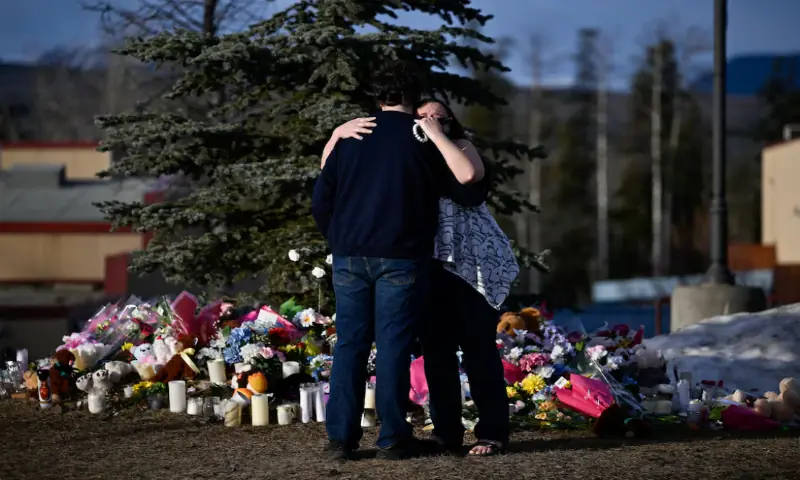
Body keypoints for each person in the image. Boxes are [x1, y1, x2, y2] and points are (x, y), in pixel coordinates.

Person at [322, 99, 518, 457]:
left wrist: (436, 134)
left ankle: (492, 433)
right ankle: (447, 434)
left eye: (437, 116)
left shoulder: (459, 148)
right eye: (422, 116)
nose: (428, 120)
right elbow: (335, 176)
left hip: (471, 268)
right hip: (427, 266)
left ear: (449, 121)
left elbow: (470, 181)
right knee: (436, 352)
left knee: (477, 350)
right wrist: (337, 134)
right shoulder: (414, 151)